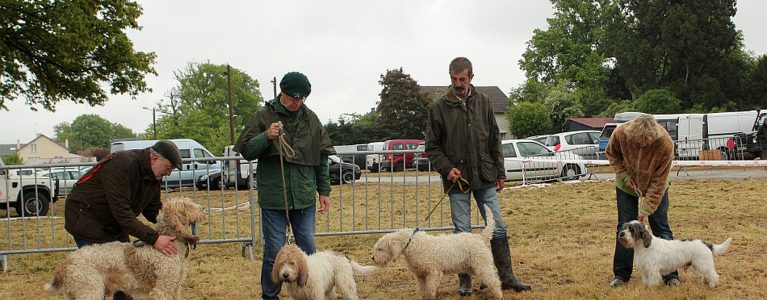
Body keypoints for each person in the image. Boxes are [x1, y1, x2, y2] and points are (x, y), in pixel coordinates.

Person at [425, 57, 531, 296]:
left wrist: (500, 172)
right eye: (454, 79)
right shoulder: (439, 108)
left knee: (498, 227)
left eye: (462, 79)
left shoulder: (484, 102)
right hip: (457, 180)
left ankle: (506, 276)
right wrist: (446, 168)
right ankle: (465, 282)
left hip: (485, 176)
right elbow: (432, 147)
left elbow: (495, 139)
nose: (458, 83)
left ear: (471, 77)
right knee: (461, 232)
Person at [233, 71, 335, 300]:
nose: (295, 103)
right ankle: (270, 296)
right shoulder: (263, 116)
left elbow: (322, 159)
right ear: (282, 92)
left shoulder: (312, 120)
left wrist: (324, 191)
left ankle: (311, 292)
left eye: (301, 99)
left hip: (304, 196)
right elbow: (247, 151)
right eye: (291, 98)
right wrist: (266, 136)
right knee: (274, 252)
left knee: (308, 249)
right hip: (274, 198)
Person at [64, 140, 184, 300]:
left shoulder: (154, 174)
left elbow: (153, 210)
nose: (169, 173)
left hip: (115, 224)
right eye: (168, 168)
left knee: (124, 286)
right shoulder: (122, 164)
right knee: (95, 286)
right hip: (88, 220)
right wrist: (154, 239)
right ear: (155, 158)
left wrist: (176, 224)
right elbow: (122, 213)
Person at [606, 114, 680, 288]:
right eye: (637, 143)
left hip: (656, 186)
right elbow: (611, 154)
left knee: (661, 225)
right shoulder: (620, 133)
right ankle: (621, 275)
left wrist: (645, 210)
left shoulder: (665, 143)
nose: (641, 147)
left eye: (645, 145)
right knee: (623, 227)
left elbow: (659, 182)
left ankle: (671, 275)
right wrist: (624, 177)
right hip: (626, 186)